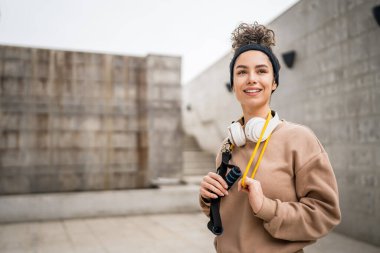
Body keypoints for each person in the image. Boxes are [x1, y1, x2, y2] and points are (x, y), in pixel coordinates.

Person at [199, 22, 341, 253]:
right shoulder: (228, 145)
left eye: (262, 71)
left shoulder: (299, 139)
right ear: (234, 85)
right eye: (242, 72)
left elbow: (325, 214)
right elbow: (229, 216)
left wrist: (266, 207)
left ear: (274, 82)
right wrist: (209, 198)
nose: (251, 79)